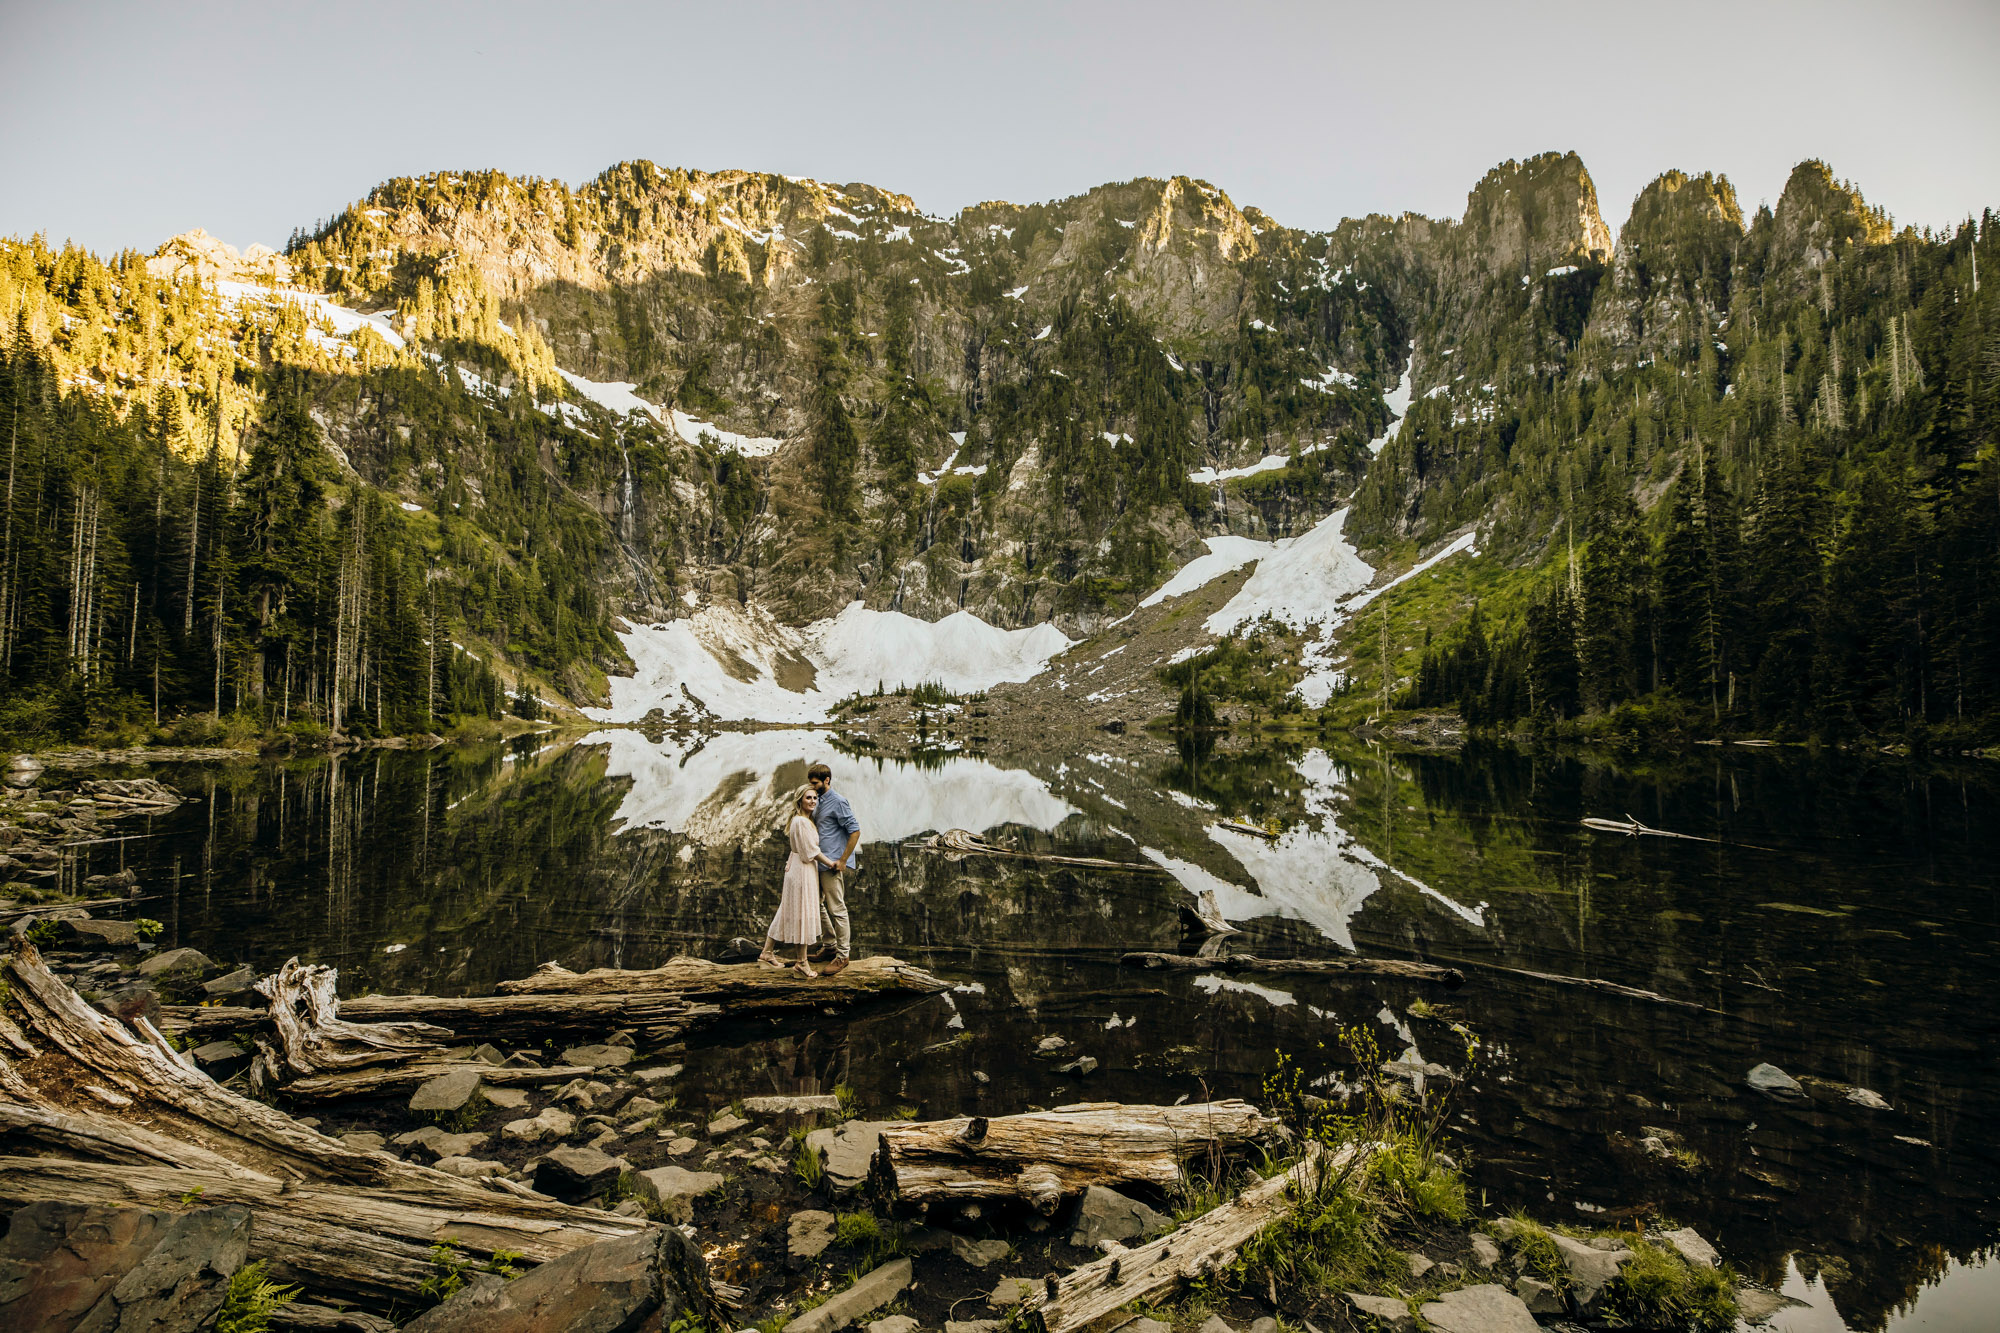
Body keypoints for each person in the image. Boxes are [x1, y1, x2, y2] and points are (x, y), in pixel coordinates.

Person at [759, 790, 835, 976]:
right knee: (802, 913)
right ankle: (801, 963)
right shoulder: (801, 822)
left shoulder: (801, 820)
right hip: (802, 869)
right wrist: (831, 863)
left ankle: (767, 953)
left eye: (815, 798)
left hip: (799, 867)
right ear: (800, 800)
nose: (813, 801)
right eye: (808, 797)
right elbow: (811, 850)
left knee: (787, 909)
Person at [805, 762, 859, 976]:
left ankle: (843, 955)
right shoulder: (817, 800)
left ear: (827, 780)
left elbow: (855, 831)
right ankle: (829, 947)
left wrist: (843, 860)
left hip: (832, 863)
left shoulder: (838, 802)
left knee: (837, 909)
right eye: (811, 783)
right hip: (817, 862)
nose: (812, 786)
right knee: (816, 905)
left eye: (815, 783)